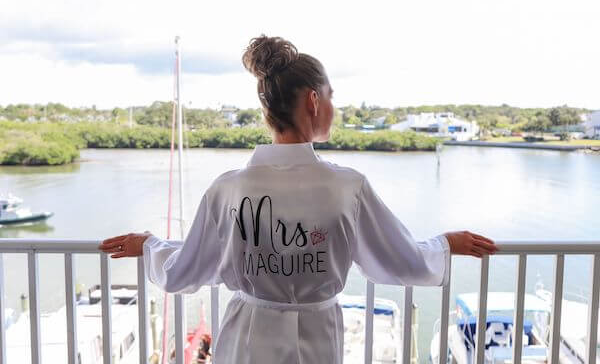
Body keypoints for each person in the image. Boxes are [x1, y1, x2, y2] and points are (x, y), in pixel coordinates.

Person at [99, 35, 498, 363]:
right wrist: (446, 245)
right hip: (317, 339)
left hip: (246, 339)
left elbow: (186, 268)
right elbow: (400, 259)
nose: (334, 108)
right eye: (331, 96)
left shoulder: (228, 189)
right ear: (312, 100)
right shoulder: (347, 187)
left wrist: (149, 246)